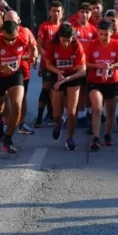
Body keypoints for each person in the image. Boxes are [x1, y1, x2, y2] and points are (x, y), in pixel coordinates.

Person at [0, 20, 30, 153]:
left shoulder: (22, 38)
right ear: (2, 33)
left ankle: (8, 138)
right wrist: (1, 67)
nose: (11, 42)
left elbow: (29, 51)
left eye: (14, 39)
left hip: (15, 75)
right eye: (7, 39)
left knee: (17, 105)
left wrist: (27, 57)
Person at [44, 23, 87, 151]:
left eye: (68, 40)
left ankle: (70, 138)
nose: (66, 43)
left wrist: (67, 78)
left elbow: (83, 70)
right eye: (63, 40)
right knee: (56, 113)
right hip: (57, 74)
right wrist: (57, 72)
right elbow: (48, 64)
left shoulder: (76, 45)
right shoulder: (52, 45)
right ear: (59, 38)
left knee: (72, 112)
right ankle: (58, 124)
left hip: (72, 76)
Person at [85, 20, 118, 151]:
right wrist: (99, 66)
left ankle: (107, 135)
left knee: (111, 111)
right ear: (98, 33)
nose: (103, 37)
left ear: (111, 33)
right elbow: (85, 63)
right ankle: (96, 137)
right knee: (97, 109)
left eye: (106, 34)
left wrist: (110, 66)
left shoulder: (117, 44)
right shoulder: (92, 45)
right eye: (101, 34)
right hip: (95, 81)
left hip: (112, 81)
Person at [3, 10, 38, 134]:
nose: (11, 23)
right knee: (4, 97)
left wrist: (33, 57)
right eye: (8, 21)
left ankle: (21, 122)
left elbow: (34, 48)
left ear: (18, 20)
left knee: (21, 98)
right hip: (3, 71)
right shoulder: (1, 33)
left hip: (22, 70)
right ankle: (6, 122)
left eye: (13, 21)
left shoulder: (26, 32)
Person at [36, 1, 63, 128]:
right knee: (46, 89)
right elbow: (39, 44)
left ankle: (52, 115)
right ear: (49, 12)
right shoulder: (44, 26)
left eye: (58, 11)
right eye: (53, 11)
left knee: (56, 90)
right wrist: (45, 58)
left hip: (61, 65)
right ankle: (39, 117)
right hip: (47, 64)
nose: (56, 13)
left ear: (62, 13)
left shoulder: (64, 27)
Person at [72, 2, 99, 126]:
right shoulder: (72, 27)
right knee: (78, 90)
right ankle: (77, 114)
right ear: (78, 13)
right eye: (82, 12)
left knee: (88, 90)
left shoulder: (93, 30)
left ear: (91, 14)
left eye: (87, 12)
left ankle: (88, 113)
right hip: (74, 65)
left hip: (89, 65)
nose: (84, 14)